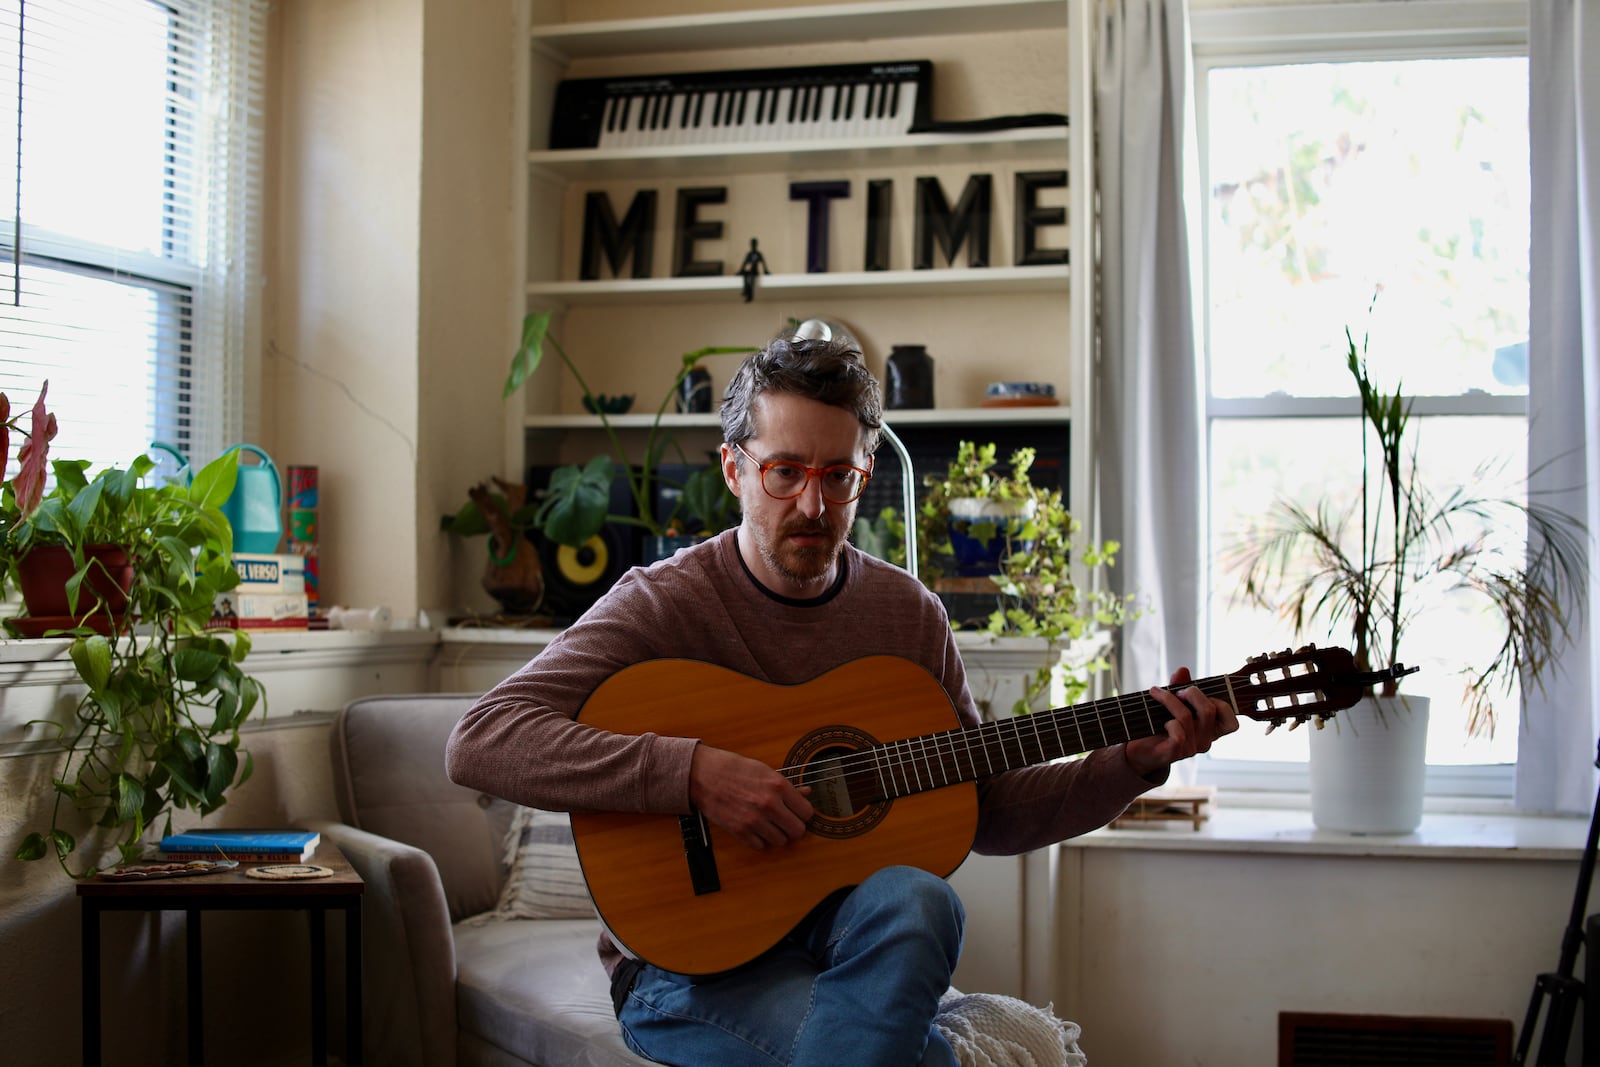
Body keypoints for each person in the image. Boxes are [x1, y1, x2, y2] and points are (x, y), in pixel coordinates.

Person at [444, 332, 1238, 1067]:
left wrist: (1131, 760)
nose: (814, 506)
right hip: (686, 963)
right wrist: (693, 774)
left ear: (864, 475)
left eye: (839, 477)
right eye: (784, 471)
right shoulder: (663, 601)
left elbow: (986, 809)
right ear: (735, 470)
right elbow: (481, 739)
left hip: (841, 947)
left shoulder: (905, 615)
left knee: (921, 898)